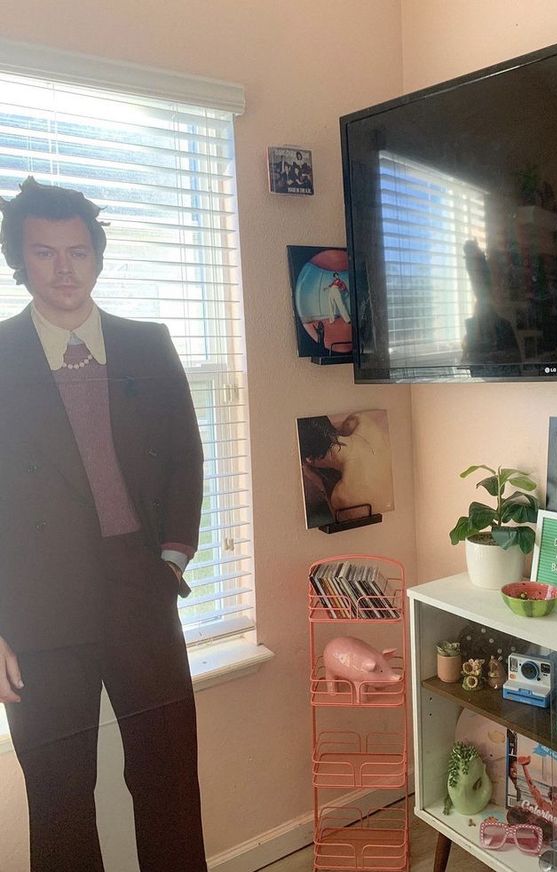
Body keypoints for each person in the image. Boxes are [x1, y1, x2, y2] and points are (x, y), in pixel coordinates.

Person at [0, 177, 206, 872]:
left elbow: (184, 457)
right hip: (36, 612)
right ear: (18, 260)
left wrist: (172, 559)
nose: (65, 269)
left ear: (97, 257)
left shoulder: (147, 345)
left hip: (140, 593)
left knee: (169, 780)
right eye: (45, 253)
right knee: (58, 798)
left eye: (78, 251)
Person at [298, 411, 393, 522]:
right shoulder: (359, 420)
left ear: (309, 459)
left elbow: (340, 523)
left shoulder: (342, 495)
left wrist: (321, 485)